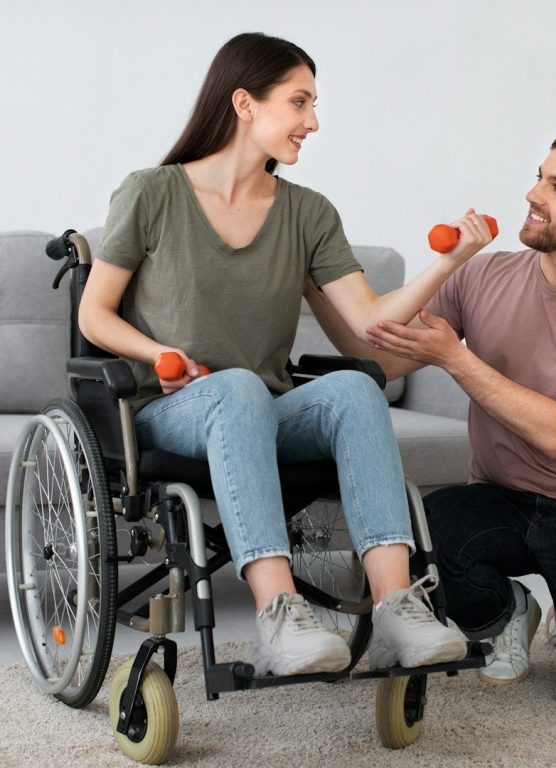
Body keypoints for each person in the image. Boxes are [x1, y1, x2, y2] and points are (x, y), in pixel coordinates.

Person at [79, 32, 495, 677]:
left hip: (262, 408)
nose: (313, 122)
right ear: (245, 103)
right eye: (300, 103)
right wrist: (159, 350)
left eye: (314, 105)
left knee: (356, 387)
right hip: (169, 407)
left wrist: (448, 262)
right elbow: (94, 314)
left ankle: (396, 608)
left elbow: (367, 326)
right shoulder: (152, 192)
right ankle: (279, 616)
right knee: (241, 386)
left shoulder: (308, 213)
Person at [306, 130, 556, 717]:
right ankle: (508, 611)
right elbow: (387, 357)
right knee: (414, 538)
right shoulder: (483, 276)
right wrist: (317, 285)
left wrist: (455, 356)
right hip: (493, 500)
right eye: (539, 176)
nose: (533, 194)